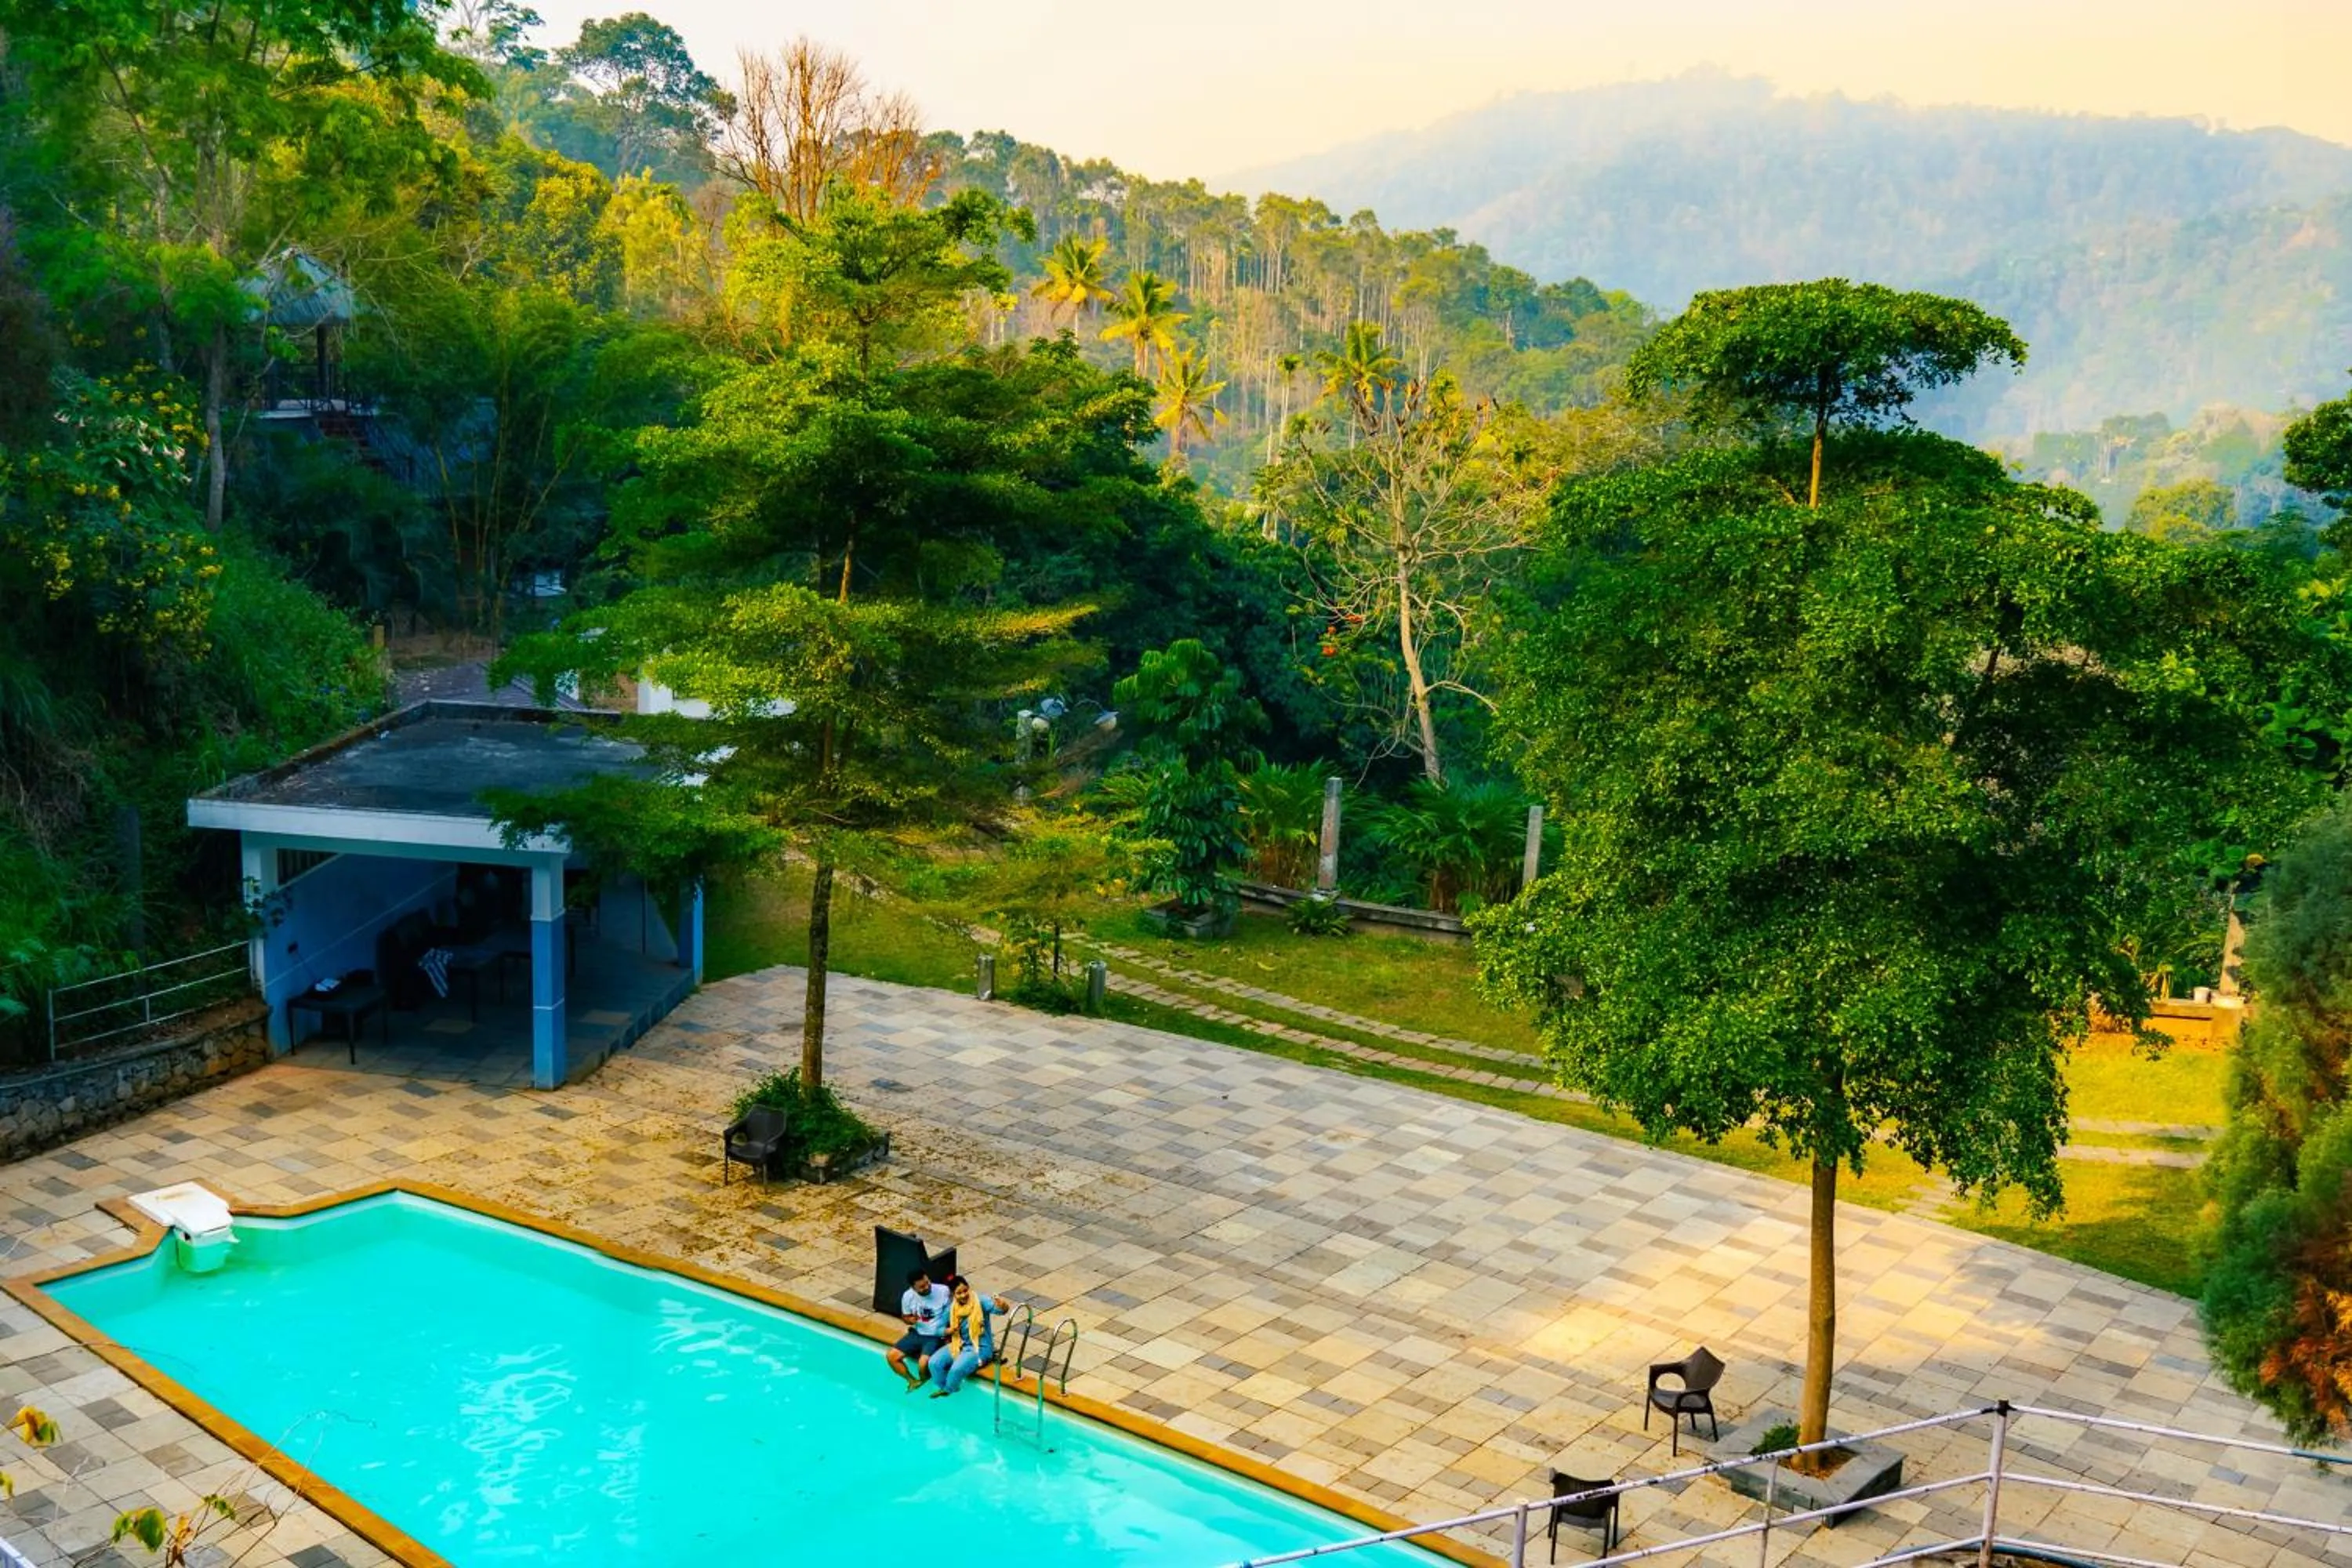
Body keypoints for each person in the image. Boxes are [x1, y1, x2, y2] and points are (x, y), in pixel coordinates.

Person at [927, 1275, 1011, 1398]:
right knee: (934, 1363)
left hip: (980, 1348)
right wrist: (948, 1331)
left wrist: (1003, 1306)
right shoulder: (952, 1308)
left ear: (969, 1288)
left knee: (956, 1371)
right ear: (953, 1295)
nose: (963, 1295)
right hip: (959, 1344)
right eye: (959, 1293)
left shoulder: (980, 1301)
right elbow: (937, 1328)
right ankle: (944, 1388)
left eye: (965, 1290)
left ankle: (949, 1392)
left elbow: (999, 1311)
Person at [889, 1267, 953, 1391]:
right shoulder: (908, 1296)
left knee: (923, 1363)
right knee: (891, 1356)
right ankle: (912, 1381)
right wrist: (910, 1320)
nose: (927, 1287)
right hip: (918, 1333)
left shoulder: (943, 1291)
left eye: (927, 1283)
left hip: (935, 1335)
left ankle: (925, 1382)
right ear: (913, 1288)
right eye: (922, 1287)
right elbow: (906, 1317)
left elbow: (952, 1314)